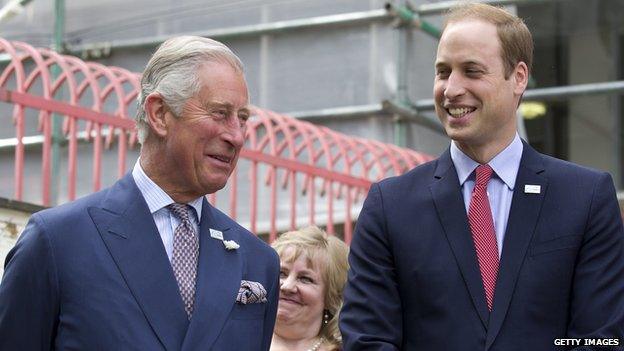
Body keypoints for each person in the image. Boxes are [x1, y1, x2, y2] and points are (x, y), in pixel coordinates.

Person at [340, 3, 624, 350]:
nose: (451, 89)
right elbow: (368, 339)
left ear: (519, 77)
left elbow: (600, 339)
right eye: (443, 72)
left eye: (472, 71)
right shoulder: (390, 206)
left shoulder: (585, 197)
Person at [0, 36, 280, 350]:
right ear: (159, 113)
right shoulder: (58, 243)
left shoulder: (257, 261)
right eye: (219, 113)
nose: (237, 136)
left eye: (242, 118)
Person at [270, 226, 349, 351]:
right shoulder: (235, 339)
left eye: (305, 279)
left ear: (331, 298)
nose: (287, 286)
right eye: (282, 273)